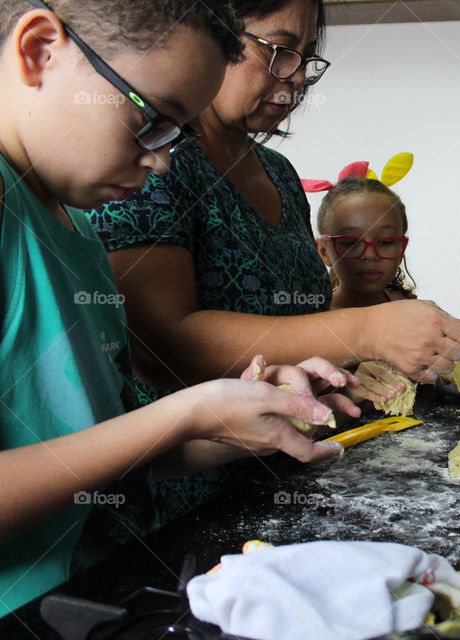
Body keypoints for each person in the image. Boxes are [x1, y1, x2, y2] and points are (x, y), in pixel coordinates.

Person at [0, 0, 360, 615]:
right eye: (153, 122)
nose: (164, 159)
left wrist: (229, 423)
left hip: (80, 597)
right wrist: (186, 411)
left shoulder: (80, 228)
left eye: (181, 132)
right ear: (39, 51)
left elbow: (97, 451)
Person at [87, 0, 460, 408]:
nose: (296, 77)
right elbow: (160, 346)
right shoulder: (153, 163)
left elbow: (294, 332)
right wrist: (364, 331)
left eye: (306, 59)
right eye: (278, 51)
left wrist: (341, 368)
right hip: (191, 459)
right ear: (210, 34)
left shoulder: (280, 174)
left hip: (294, 446)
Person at [314, 168, 418, 309]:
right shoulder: (312, 318)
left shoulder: (415, 314)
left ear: (402, 248)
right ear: (324, 251)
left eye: (385, 242)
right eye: (351, 243)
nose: (370, 255)